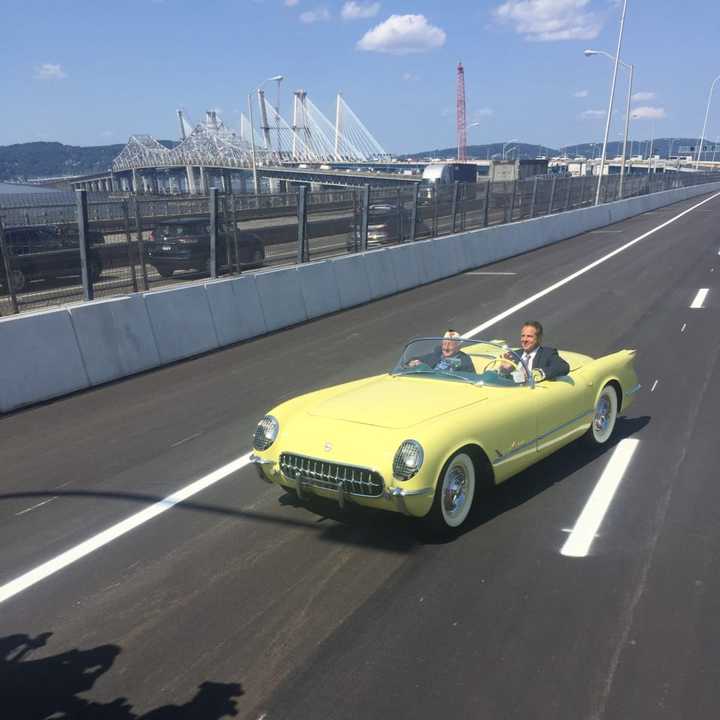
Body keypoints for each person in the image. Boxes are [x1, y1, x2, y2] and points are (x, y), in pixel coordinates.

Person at [503, 321, 569, 381]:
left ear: (539, 338)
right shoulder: (514, 354)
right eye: (523, 336)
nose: (525, 340)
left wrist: (539, 373)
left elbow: (563, 367)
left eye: (529, 336)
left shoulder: (547, 354)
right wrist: (503, 370)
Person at [408, 330, 475, 373]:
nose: (446, 348)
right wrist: (413, 362)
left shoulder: (465, 361)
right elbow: (414, 360)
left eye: (451, 345)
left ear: (458, 347)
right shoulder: (436, 355)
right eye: (445, 344)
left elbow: (470, 379)